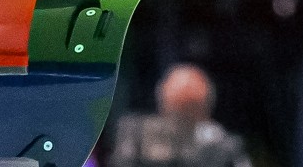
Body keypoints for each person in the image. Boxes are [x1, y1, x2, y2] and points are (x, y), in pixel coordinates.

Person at [105, 64, 252, 167]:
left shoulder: (223, 146)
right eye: (179, 109)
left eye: (190, 108)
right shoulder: (136, 138)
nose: (182, 120)